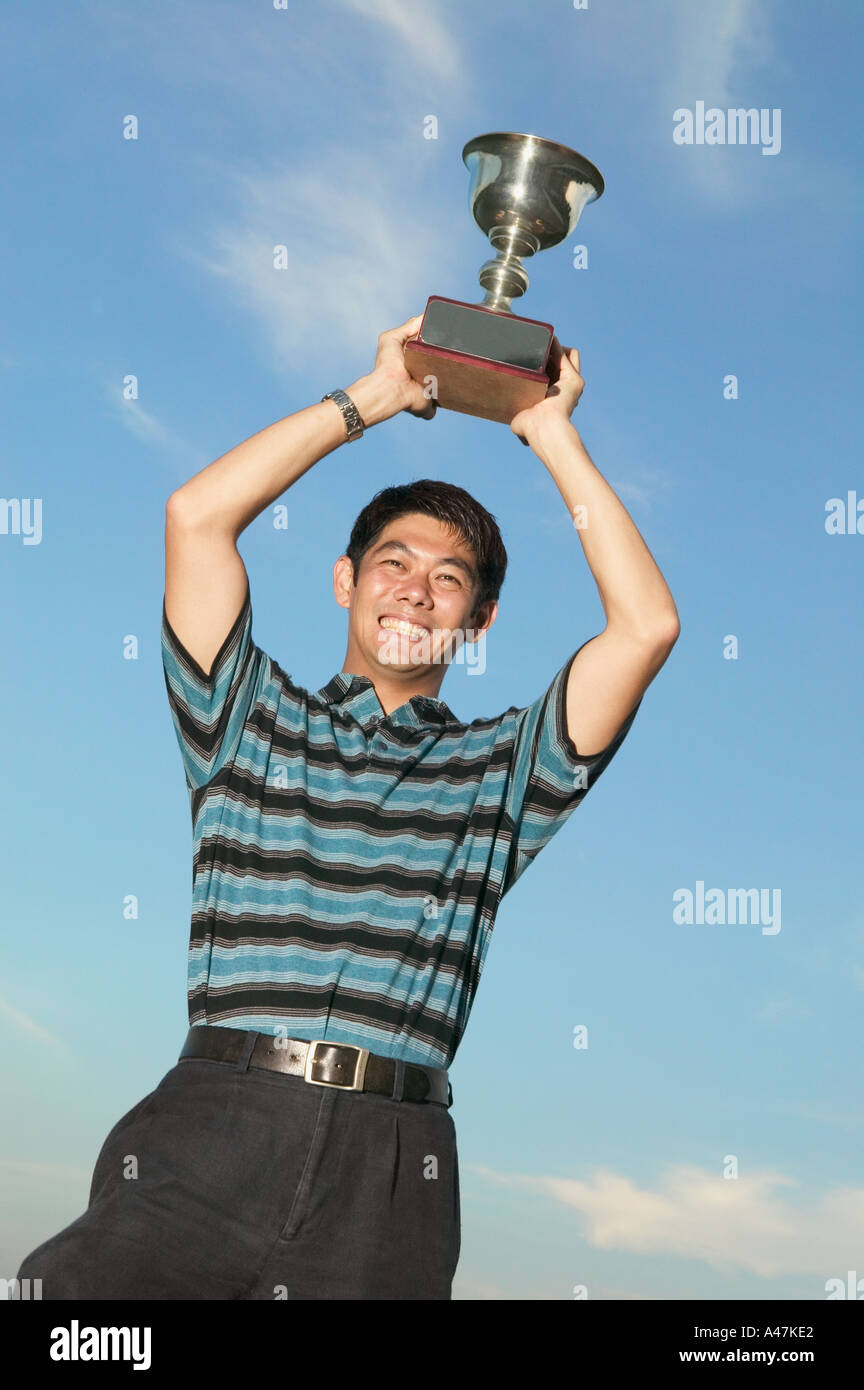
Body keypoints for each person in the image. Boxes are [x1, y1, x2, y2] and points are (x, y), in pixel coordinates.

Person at [14, 315, 679, 1300]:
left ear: (480, 620)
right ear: (346, 581)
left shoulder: (502, 769)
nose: (417, 590)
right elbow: (197, 515)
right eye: (395, 563)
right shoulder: (247, 718)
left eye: (450, 580)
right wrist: (375, 396)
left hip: (392, 1169)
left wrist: (546, 428)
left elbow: (646, 624)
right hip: (213, 1124)